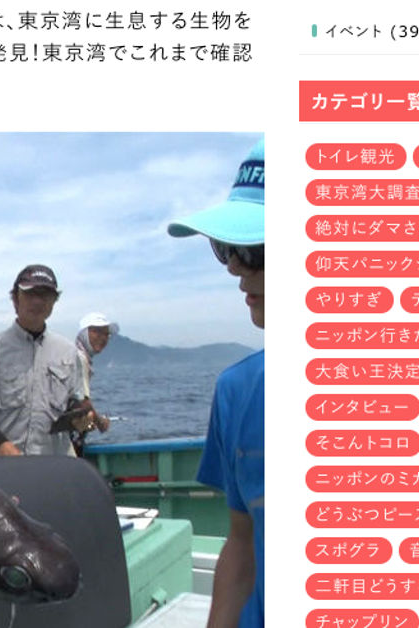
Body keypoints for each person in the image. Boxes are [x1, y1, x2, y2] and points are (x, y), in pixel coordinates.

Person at [167, 137, 264, 628]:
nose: (233, 267)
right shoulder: (237, 392)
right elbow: (242, 543)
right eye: (226, 248)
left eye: (255, 250)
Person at [0, 264, 100, 460]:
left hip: (51, 463)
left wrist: (81, 418)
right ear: (15, 299)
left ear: (54, 301)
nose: (38, 301)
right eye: (31, 293)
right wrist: (0, 444)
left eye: (46, 295)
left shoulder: (68, 352)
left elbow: (75, 400)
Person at [71, 312, 118, 456]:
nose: (103, 338)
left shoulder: (73, 354)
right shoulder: (80, 358)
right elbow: (83, 402)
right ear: (84, 333)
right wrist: (100, 423)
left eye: (106, 334)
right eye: (97, 332)